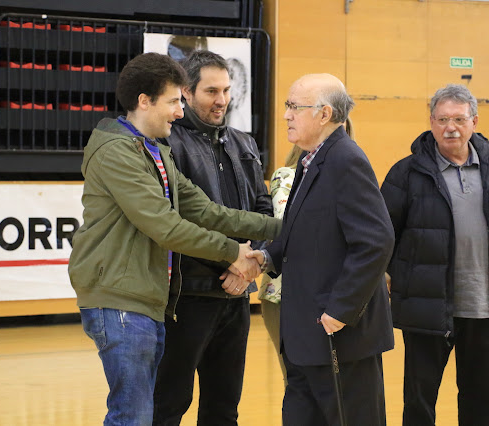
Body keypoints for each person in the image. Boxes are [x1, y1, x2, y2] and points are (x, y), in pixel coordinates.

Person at [67, 52, 281, 426]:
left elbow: (209, 211)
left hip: (145, 301)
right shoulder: (117, 152)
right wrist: (233, 253)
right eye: (173, 101)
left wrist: (286, 228)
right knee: (134, 416)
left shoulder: (154, 149)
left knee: (150, 413)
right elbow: (166, 225)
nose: (179, 112)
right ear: (144, 101)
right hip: (121, 302)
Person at [249, 74, 395, 425]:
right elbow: (300, 226)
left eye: (294, 107)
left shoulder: (346, 160)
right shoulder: (310, 158)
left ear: (324, 114)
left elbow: (376, 240)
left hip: (339, 336)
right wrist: (268, 256)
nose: (286, 115)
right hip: (303, 336)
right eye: (287, 106)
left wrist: (341, 309)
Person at [380, 83, 489, 426]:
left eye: (458, 119)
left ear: (474, 121)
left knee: (480, 394)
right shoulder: (406, 172)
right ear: (431, 122)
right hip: (426, 306)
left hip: (482, 305)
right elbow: (384, 232)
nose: (450, 127)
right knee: (420, 397)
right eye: (442, 119)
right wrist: (399, 275)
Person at [151, 50, 272, 426]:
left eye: (226, 90)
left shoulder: (245, 143)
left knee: (224, 408)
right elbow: (178, 220)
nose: (221, 100)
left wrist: (252, 265)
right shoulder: (170, 144)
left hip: (237, 298)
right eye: (211, 91)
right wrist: (231, 262)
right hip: (187, 298)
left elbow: (262, 210)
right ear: (186, 92)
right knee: (169, 405)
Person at [258, 118, 355, 387]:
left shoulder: (353, 171)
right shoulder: (287, 175)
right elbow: (285, 229)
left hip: (335, 295)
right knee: (298, 381)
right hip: (284, 293)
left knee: (335, 384)